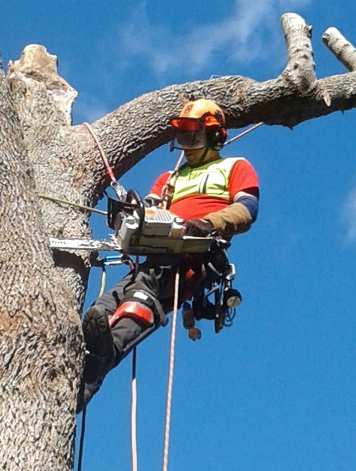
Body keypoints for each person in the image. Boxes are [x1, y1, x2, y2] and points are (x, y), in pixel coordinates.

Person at [78, 99, 259, 411]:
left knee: (142, 298)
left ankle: (108, 351)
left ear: (215, 135)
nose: (187, 145)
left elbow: (247, 209)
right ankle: (83, 367)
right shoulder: (168, 179)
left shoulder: (234, 167)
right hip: (154, 254)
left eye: (195, 135)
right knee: (105, 304)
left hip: (194, 257)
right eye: (183, 136)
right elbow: (144, 209)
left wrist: (207, 223)